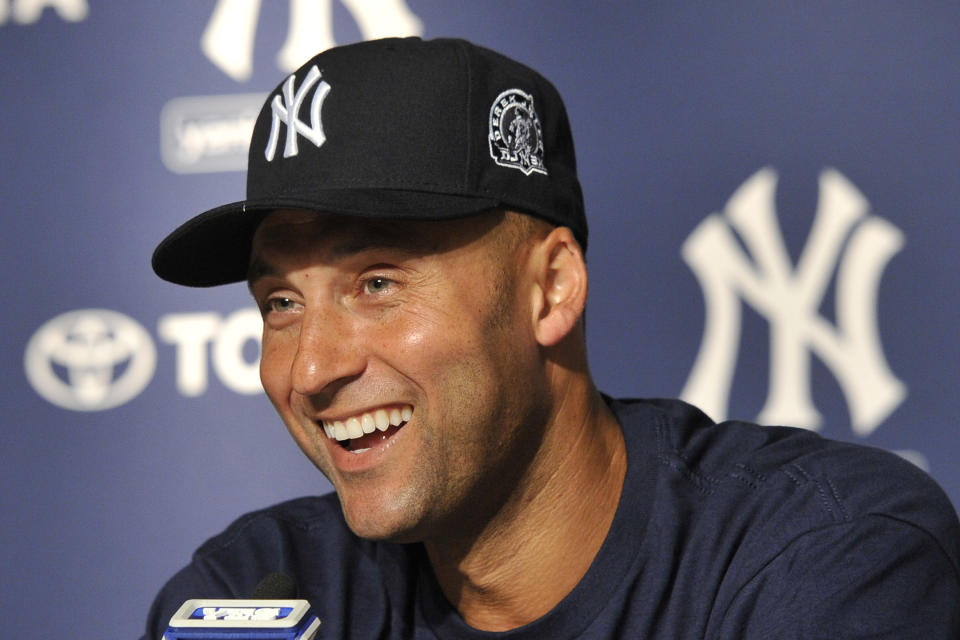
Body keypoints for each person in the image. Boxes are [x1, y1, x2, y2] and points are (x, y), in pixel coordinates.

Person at [144, 37, 960, 639]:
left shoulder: (818, 555)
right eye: (280, 302)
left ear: (552, 288)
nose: (312, 367)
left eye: (378, 284)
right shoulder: (255, 592)